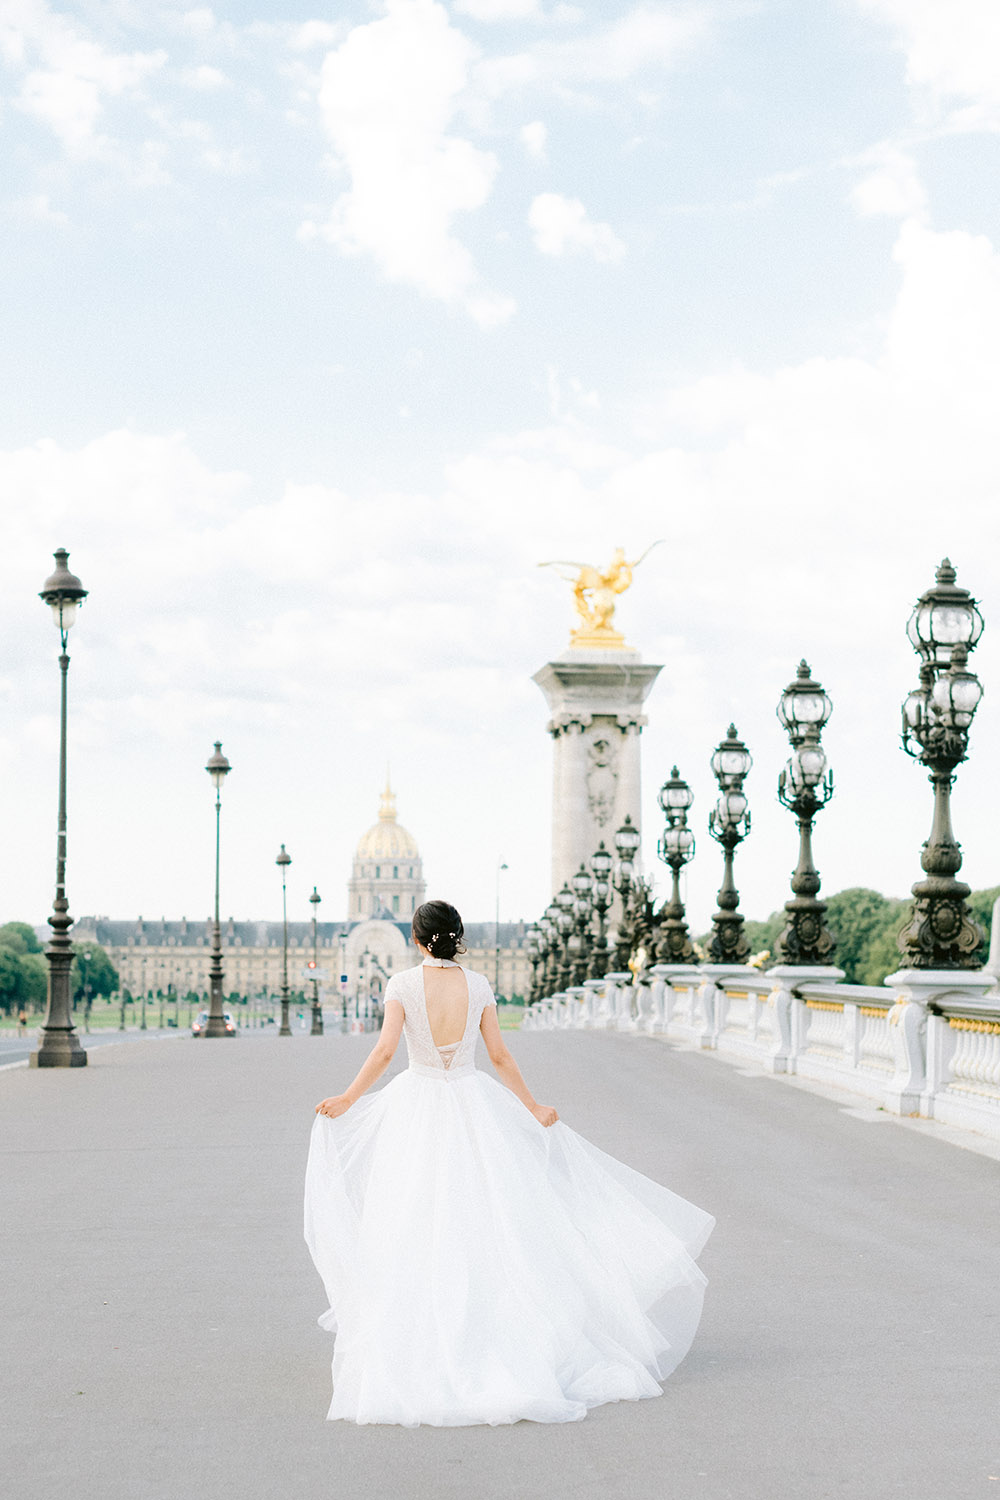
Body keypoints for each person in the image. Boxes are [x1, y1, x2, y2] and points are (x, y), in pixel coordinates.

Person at [305, 899, 714, 1428]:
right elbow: (500, 1057)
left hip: (418, 1107)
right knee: (488, 1219)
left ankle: (422, 1329)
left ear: (416, 938)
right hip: (473, 1105)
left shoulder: (402, 984)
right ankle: (493, 1327)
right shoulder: (477, 986)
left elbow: (384, 1053)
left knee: (413, 1219)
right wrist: (533, 1106)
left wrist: (348, 1099)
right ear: (456, 937)